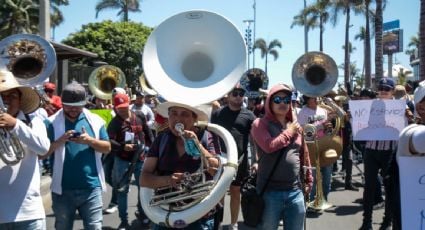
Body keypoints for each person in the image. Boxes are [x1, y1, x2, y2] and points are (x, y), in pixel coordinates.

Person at [140, 101, 220, 230]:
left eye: (184, 114)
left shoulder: (207, 137)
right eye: (173, 114)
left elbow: (216, 171)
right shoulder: (161, 139)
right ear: (168, 117)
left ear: (195, 119)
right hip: (165, 213)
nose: (178, 119)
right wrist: (169, 180)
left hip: (199, 215)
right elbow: (144, 179)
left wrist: (198, 145)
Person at [44, 81, 111, 230]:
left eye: (78, 105)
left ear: (84, 104)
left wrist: (90, 141)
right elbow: (42, 154)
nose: (73, 109)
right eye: (68, 105)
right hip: (62, 190)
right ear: (62, 103)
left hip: (91, 189)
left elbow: (107, 148)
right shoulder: (50, 123)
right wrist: (60, 141)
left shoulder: (96, 120)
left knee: (95, 227)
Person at [250, 83, 313, 230]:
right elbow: (269, 146)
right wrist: (289, 131)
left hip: (295, 191)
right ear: (269, 102)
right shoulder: (259, 124)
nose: (283, 103)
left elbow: (304, 154)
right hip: (269, 192)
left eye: (286, 100)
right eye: (278, 100)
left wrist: (309, 178)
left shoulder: (295, 126)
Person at [0, 70, 51, 229]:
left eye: (12, 96)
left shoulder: (33, 122)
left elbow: (43, 148)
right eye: (2, 96)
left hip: (28, 213)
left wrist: (15, 125)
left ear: (21, 100)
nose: (6, 101)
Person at [359, 78, 408, 230]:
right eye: (380, 88)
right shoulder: (370, 105)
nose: (383, 91)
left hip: (390, 152)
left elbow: (404, 129)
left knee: (390, 187)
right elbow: (361, 124)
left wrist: (406, 116)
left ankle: (387, 220)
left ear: (393, 91)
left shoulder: (401, 107)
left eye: (386, 89)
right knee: (369, 187)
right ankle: (367, 221)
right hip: (371, 149)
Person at [210, 85, 256, 230]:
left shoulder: (249, 115)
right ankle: (218, 222)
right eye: (234, 93)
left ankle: (233, 223)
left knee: (236, 192)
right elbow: (211, 135)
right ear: (228, 96)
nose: (238, 96)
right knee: (219, 193)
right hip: (220, 159)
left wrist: (255, 161)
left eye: (241, 93)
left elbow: (255, 140)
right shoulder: (217, 114)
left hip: (240, 160)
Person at [108, 93, 152, 229]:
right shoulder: (114, 122)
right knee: (122, 190)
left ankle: (143, 214)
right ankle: (123, 220)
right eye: (119, 108)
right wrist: (122, 146)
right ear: (115, 108)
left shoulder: (139, 115)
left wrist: (152, 149)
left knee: (143, 189)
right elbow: (108, 141)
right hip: (122, 160)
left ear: (129, 104)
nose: (122, 110)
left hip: (140, 158)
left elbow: (148, 132)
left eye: (124, 107)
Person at [297, 94, 334, 203]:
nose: (317, 98)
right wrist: (321, 126)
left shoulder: (323, 110)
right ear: (308, 99)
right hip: (310, 147)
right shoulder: (302, 112)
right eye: (314, 97)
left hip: (325, 146)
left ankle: (324, 199)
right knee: (312, 176)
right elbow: (303, 132)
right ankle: (312, 202)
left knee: (327, 176)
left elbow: (327, 128)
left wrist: (328, 129)